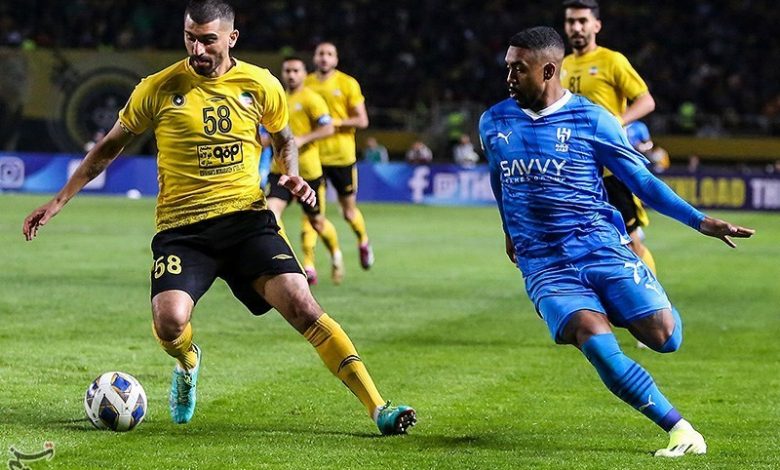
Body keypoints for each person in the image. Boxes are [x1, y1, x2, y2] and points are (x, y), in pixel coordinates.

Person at [22, 0, 415, 435]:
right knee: (169, 322)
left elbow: (285, 139)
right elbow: (108, 147)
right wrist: (57, 201)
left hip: (247, 221)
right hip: (182, 230)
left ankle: (379, 408)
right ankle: (188, 361)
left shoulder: (260, 84)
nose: (197, 49)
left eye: (208, 40)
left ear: (232, 38)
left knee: (303, 305)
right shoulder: (158, 87)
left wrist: (292, 175)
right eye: (190, 38)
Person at [479, 27, 753, 457]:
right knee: (592, 336)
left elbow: (641, 180)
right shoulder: (493, 121)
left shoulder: (593, 120)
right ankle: (681, 430)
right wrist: (508, 231)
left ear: (548, 70)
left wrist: (699, 221)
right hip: (545, 262)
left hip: (600, 246)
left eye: (519, 69)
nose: (509, 77)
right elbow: (500, 182)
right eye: (508, 67)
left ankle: (615, 301)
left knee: (665, 336)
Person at [561, 0, 659, 275]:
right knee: (583, 244)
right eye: (571, 21)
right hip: (576, 171)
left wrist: (617, 122)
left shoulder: (612, 60)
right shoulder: (563, 65)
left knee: (631, 241)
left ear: (596, 25)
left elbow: (646, 101)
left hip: (610, 169)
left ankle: (654, 295)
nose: (576, 27)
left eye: (582, 21)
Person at [267, 56, 344, 286]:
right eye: (287, 70)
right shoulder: (277, 97)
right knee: (271, 214)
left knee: (316, 223)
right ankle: (292, 264)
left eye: (296, 71)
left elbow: (328, 128)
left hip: (308, 172)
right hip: (280, 170)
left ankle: (335, 253)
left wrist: (302, 139)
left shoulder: (312, 99)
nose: (291, 75)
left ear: (303, 74)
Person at [304, 42, 374, 270]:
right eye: (320, 54)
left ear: (335, 60)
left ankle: (363, 241)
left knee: (348, 212)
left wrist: (335, 122)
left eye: (329, 54)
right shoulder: (306, 84)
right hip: (314, 158)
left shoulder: (347, 83)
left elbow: (362, 120)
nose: (324, 58)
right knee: (312, 214)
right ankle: (309, 265)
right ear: (315, 58)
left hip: (342, 157)